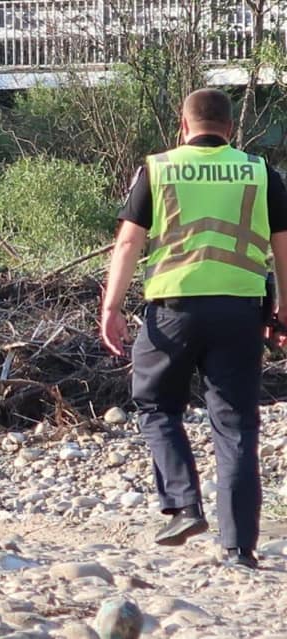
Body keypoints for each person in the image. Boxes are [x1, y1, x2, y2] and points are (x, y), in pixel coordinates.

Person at [100, 88, 287, 569]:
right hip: (242, 311)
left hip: (173, 309)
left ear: (183, 126)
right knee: (237, 425)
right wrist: (284, 311)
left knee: (156, 403)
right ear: (231, 129)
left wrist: (112, 307)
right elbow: (284, 249)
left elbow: (127, 245)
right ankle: (239, 549)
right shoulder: (260, 172)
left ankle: (184, 505)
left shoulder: (158, 168)